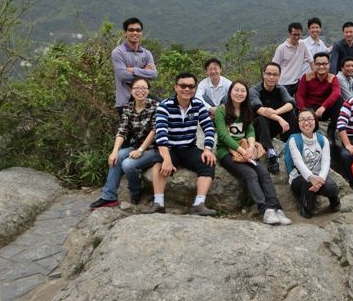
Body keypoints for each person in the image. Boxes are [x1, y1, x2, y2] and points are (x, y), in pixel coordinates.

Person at [215, 80, 292, 225]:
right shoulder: (221, 110)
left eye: (242, 91)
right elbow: (223, 135)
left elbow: (250, 130)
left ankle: (276, 208)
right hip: (226, 152)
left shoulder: (246, 109)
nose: (239, 93)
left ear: (246, 94)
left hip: (245, 149)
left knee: (263, 172)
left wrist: (250, 147)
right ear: (230, 92)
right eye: (236, 90)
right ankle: (265, 210)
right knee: (250, 174)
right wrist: (242, 151)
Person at [90, 78, 163, 209]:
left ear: (148, 90)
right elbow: (122, 131)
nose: (140, 91)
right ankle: (109, 197)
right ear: (131, 90)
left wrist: (140, 150)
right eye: (137, 88)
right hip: (135, 146)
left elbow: (155, 131)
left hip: (154, 149)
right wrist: (114, 151)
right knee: (117, 157)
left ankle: (136, 190)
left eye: (144, 88)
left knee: (128, 164)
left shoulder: (156, 106)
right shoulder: (128, 108)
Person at [152, 72, 217, 215]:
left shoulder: (198, 105)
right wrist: (167, 159)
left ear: (194, 88)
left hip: (189, 147)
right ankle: (158, 203)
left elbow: (209, 128)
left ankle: (199, 204)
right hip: (170, 147)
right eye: (183, 86)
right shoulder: (164, 105)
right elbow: (161, 134)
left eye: (191, 86)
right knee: (159, 163)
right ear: (176, 87)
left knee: (208, 163)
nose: (187, 89)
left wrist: (207, 149)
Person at [287, 109, 341, 218]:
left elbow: (326, 162)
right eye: (302, 120)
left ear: (315, 121)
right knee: (308, 182)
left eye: (309, 119)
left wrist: (320, 180)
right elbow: (298, 162)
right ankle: (306, 207)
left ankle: (334, 201)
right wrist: (311, 178)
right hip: (298, 177)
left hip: (318, 176)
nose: (306, 122)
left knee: (331, 187)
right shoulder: (293, 140)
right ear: (298, 123)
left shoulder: (323, 140)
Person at [249, 62, 298, 174]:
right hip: (257, 128)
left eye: (275, 74)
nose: (271, 77)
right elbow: (259, 109)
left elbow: (291, 103)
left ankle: (290, 142)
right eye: (269, 74)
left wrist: (276, 112)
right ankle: (271, 153)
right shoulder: (254, 90)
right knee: (262, 117)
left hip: (271, 126)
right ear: (263, 74)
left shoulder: (280, 89)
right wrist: (280, 119)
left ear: (279, 76)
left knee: (290, 112)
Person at [111, 17, 157, 116]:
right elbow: (122, 75)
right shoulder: (118, 52)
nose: (135, 33)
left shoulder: (146, 53)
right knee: (128, 127)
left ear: (141, 33)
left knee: (163, 108)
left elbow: (153, 74)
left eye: (138, 30)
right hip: (125, 102)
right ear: (125, 33)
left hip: (143, 99)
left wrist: (133, 70)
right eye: (131, 30)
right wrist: (144, 72)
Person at [296, 52, 342, 143]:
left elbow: (337, 93)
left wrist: (323, 107)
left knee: (339, 100)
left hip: (324, 111)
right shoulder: (306, 77)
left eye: (324, 64)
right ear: (314, 65)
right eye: (318, 64)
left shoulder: (332, 78)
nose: (321, 67)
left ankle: (331, 131)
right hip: (309, 110)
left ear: (329, 65)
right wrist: (303, 110)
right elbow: (300, 95)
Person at [272, 22, 313, 96]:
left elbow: (311, 60)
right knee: (286, 102)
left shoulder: (302, 44)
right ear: (289, 33)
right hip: (284, 83)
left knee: (301, 101)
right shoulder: (281, 48)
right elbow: (274, 66)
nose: (297, 37)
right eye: (294, 34)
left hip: (297, 82)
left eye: (299, 34)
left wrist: (315, 77)